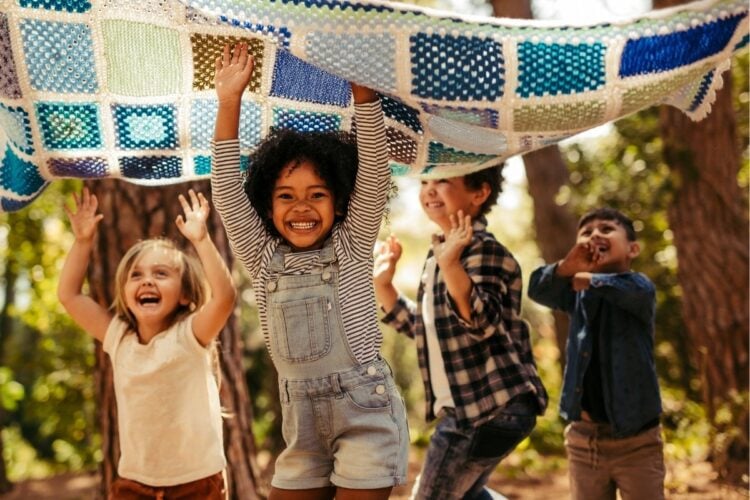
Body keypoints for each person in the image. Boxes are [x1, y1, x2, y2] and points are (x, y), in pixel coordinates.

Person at [211, 43, 408, 499]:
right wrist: (229, 103)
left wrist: (364, 95)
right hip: (299, 425)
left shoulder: (353, 243)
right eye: (286, 196)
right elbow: (225, 190)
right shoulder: (261, 257)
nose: (301, 206)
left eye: (316, 195)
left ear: (339, 204)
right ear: (265, 205)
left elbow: (375, 171)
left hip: (365, 413)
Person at [373, 166, 548, 499]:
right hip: (475, 409)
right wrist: (384, 285)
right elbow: (424, 329)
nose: (429, 190)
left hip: (489, 408)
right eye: (425, 182)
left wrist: (451, 264)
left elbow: (481, 323)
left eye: (443, 181)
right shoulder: (441, 254)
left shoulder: (484, 250)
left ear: (479, 193)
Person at [57, 187, 235, 499]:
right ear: (125, 292)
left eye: (161, 273)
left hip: (196, 482)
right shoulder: (120, 338)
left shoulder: (190, 336)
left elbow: (224, 298)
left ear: (184, 295)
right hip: (134, 483)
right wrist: (83, 241)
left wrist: (201, 240)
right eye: (136, 275)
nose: (147, 281)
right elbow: (69, 295)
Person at [527, 207, 665, 500]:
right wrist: (566, 267)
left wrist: (591, 278)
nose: (595, 235)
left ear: (632, 249)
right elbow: (537, 289)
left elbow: (634, 290)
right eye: (587, 232)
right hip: (583, 441)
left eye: (606, 229)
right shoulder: (576, 293)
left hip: (637, 442)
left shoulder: (639, 288)